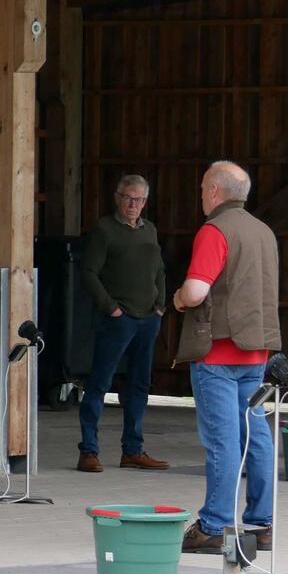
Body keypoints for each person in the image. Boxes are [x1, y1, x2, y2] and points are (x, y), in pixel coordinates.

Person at [174, 162, 281, 555]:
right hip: (256, 351)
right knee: (257, 436)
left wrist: (178, 298)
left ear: (216, 191)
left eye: (203, 188)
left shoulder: (214, 230)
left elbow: (197, 290)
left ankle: (215, 525)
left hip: (217, 351)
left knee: (223, 441)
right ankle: (262, 523)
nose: (201, 195)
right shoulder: (264, 232)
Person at [75, 174, 170, 474]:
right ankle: (88, 450)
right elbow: (89, 272)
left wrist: (160, 305)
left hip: (148, 319)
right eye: (128, 197)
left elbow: (159, 270)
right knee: (99, 382)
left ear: (145, 202)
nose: (133, 204)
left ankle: (133, 449)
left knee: (140, 384)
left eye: (139, 199)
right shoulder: (104, 230)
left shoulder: (150, 230)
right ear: (117, 197)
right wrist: (111, 308)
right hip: (119, 319)